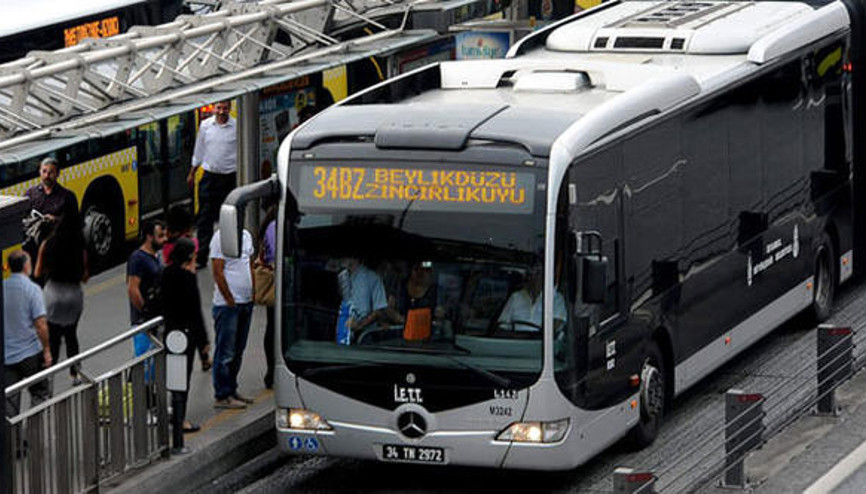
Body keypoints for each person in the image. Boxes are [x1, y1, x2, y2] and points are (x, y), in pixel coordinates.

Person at [161, 238, 209, 454]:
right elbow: (195, 313)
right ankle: (179, 425)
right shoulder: (188, 279)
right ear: (190, 256)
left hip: (170, 335)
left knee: (173, 378)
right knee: (183, 381)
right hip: (186, 337)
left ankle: (175, 418)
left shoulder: (165, 274)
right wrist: (204, 346)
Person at [34, 214, 88, 384]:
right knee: (71, 335)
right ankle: (75, 373)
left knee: (54, 338)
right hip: (73, 295)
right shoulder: (80, 247)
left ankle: (49, 377)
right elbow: (85, 276)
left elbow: (37, 272)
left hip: (53, 294)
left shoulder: (47, 244)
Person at [188, 100, 237, 269]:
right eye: (218, 108)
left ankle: (229, 255)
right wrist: (192, 172)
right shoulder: (205, 126)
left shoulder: (237, 127)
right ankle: (202, 256)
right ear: (214, 108)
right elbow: (199, 150)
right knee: (204, 219)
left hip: (230, 178)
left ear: (230, 108)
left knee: (229, 218)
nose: (221, 111)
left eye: (225, 108)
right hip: (210, 178)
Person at [210, 227, 255, 409]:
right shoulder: (220, 237)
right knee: (225, 352)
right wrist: (229, 298)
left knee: (238, 349)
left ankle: (232, 388)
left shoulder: (246, 236)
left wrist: (253, 292)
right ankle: (222, 394)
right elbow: (217, 271)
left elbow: (250, 264)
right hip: (228, 305)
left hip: (246, 302)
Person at [162, 205, 211, 371]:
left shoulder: (167, 248)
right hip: (186, 287)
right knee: (194, 315)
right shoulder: (191, 243)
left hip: (172, 294)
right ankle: (204, 356)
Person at [4, 250, 52, 416]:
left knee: (9, 402)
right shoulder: (32, 289)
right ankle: (33, 433)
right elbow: (40, 324)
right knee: (40, 394)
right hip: (31, 354)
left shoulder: (3, 287)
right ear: (26, 266)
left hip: (7, 357)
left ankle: (13, 439)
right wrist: (46, 351)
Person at [23, 157, 80, 261]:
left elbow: (76, 227)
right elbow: (23, 219)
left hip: (59, 251)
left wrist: (56, 220)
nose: (47, 175)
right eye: (44, 171)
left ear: (58, 174)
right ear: (39, 172)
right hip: (34, 250)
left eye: (51, 172)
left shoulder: (67, 196)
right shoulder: (31, 194)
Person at [127, 219, 166, 358]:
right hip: (143, 322)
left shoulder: (156, 256)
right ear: (149, 237)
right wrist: (145, 313)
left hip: (154, 319)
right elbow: (132, 288)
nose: (164, 239)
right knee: (143, 362)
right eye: (160, 236)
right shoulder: (138, 258)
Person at [498, 264, 566, 332]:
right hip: (515, 339)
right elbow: (503, 324)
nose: (534, 278)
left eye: (538, 274)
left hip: (541, 340)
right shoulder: (515, 297)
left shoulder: (556, 298)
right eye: (532, 274)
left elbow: (556, 325)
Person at [336, 257, 388, 344]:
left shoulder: (373, 278)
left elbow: (379, 311)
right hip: (343, 333)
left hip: (366, 336)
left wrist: (359, 325)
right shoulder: (342, 277)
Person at [258, 207, 277, 389]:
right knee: (274, 327)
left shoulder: (270, 224)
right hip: (277, 282)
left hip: (278, 280)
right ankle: (272, 371)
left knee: (272, 326)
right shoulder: (274, 226)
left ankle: (272, 370)